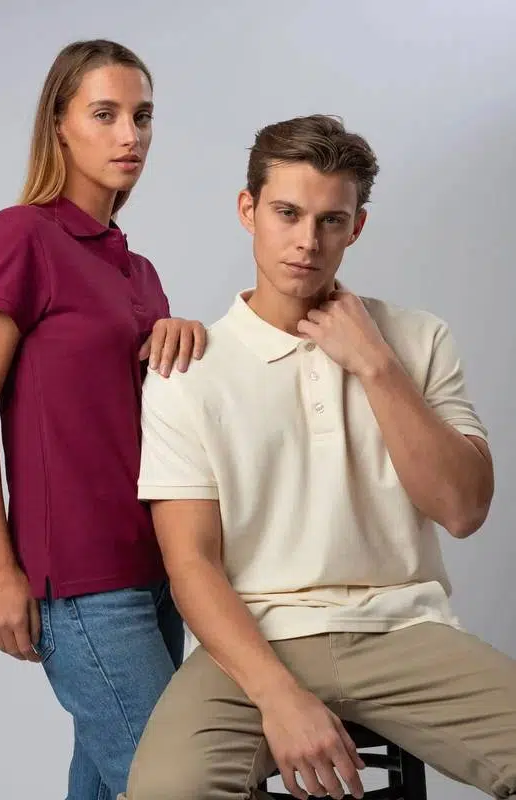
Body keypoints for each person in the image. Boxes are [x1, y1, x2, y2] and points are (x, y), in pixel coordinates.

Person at [119, 114, 516, 800]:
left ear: (356, 227)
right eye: (287, 213)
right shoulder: (188, 369)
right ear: (248, 211)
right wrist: (280, 696)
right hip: (252, 642)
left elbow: (462, 509)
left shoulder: (418, 339)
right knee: (166, 792)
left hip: (404, 632)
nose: (308, 241)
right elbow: (191, 564)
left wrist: (376, 366)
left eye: (331, 220)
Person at [0, 39, 206, 799]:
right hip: (83, 581)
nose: (131, 135)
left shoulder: (140, 271)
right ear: (59, 125)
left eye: (142, 117)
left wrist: (183, 337)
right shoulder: (22, 234)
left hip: (159, 570)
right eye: (105, 114)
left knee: (112, 784)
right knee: (176, 785)